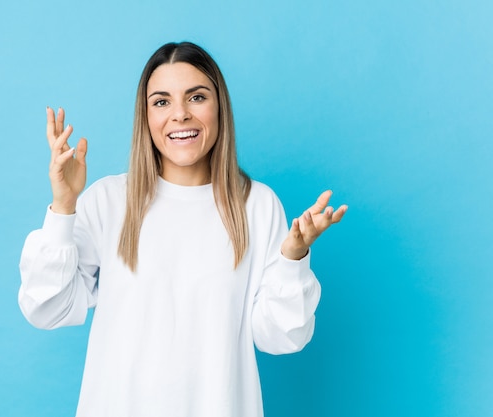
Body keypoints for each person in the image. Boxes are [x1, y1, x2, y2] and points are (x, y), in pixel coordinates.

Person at [19, 41, 347, 417]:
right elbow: (46, 310)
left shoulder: (255, 204)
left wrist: (293, 259)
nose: (179, 115)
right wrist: (63, 208)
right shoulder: (108, 201)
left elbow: (281, 337)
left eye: (196, 97)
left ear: (219, 106)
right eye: (162, 102)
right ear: (146, 117)